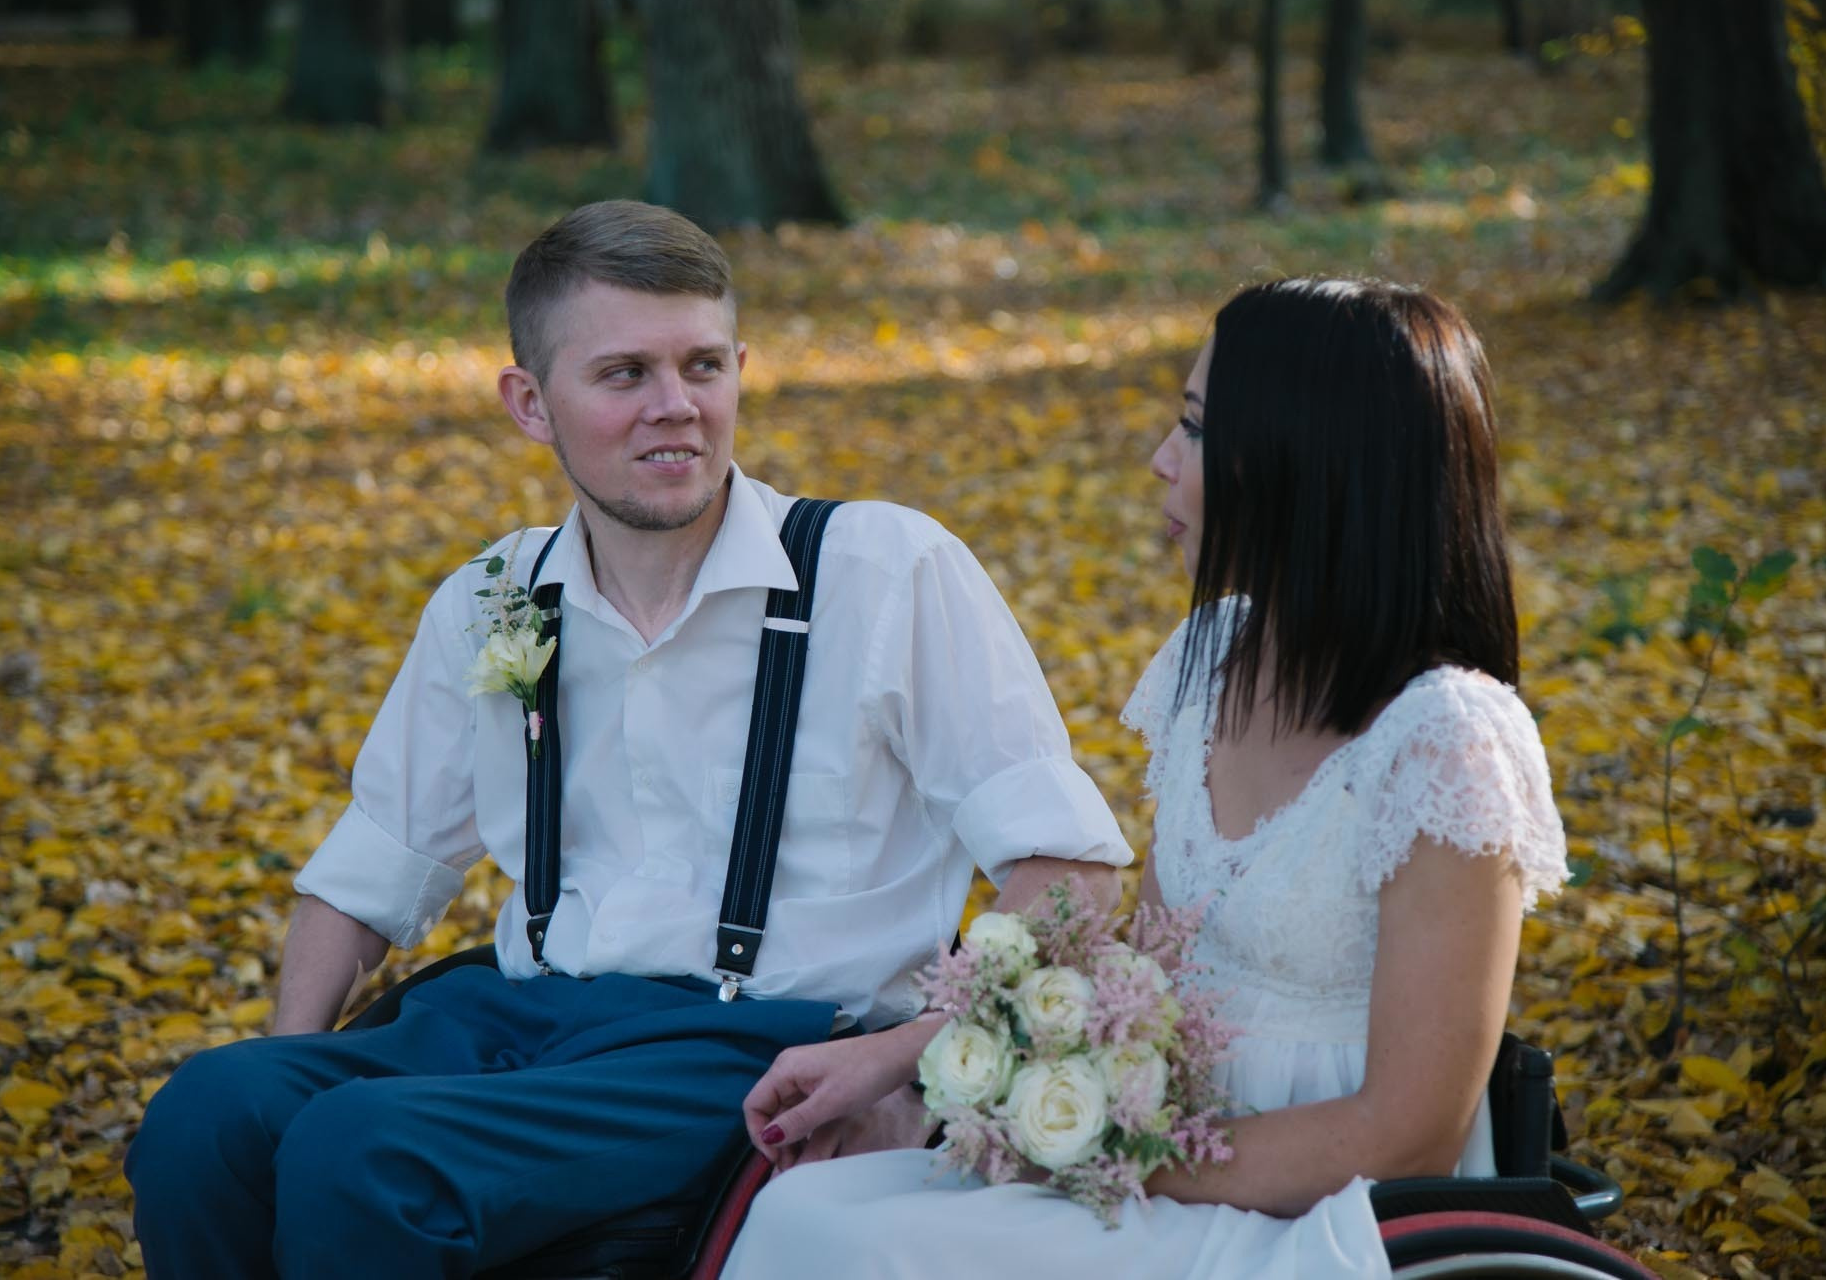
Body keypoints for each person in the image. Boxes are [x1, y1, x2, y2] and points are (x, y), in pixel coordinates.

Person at [123, 200, 1131, 1279]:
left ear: (742, 367)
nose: (677, 409)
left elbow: (1067, 869)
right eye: (623, 376)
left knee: (364, 1153)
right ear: (529, 403)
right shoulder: (494, 594)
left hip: (747, 1041)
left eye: (703, 366)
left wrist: (905, 1059)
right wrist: (291, 1057)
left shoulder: (883, 570)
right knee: (210, 1113)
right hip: (517, 1020)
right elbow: (373, 862)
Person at [723, 277, 1570, 1279]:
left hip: (1326, 1217)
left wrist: (1113, 1157)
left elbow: (1406, 1135)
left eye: (1197, 429)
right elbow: (1150, 973)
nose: (1159, 462)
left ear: (1310, 463)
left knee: (861, 1245)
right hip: (1154, 1151)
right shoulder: (1210, 658)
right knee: (805, 1212)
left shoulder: (1448, 742)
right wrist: (930, 1076)